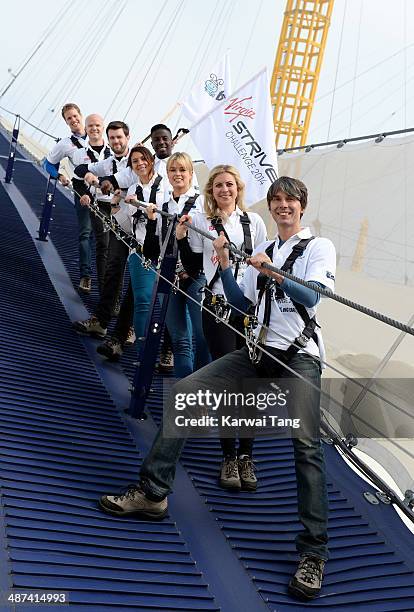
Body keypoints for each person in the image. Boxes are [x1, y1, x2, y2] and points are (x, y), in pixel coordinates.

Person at [99, 176, 336, 602]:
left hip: (298, 356)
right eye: (277, 200)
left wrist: (273, 273)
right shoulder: (270, 250)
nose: (282, 206)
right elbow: (241, 302)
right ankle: (153, 493)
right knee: (188, 393)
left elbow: (314, 296)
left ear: (303, 205)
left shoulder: (318, 247)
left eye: (290, 200)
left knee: (306, 446)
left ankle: (314, 553)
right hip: (258, 348)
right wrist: (229, 266)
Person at [176, 165, 266, 490]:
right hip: (216, 309)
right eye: (218, 186)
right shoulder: (202, 221)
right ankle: (229, 456)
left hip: (247, 311)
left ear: (238, 188)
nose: (224, 190)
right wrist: (182, 240)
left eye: (229, 185)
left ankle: (246, 455)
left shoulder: (253, 223)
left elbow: (261, 267)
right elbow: (191, 267)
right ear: (210, 191)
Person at [95, 145, 169, 359]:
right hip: (141, 250)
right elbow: (129, 228)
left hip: (162, 251)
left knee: (149, 299)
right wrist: (116, 207)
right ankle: (124, 342)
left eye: (143, 159)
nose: (140, 164)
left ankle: (155, 349)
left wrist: (149, 210)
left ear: (151, 161)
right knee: (137, 295)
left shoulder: (166, 188)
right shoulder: (133, 191)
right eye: (135, 161)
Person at [143, 152, 209, 378]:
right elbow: (153, 248)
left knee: (201, 338)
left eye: (183, 170)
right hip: (170, 275)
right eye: (173, 170)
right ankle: (186, 394)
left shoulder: (202, 203)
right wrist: (151, 222)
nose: (178, 174)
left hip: (196, 276)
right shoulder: (164, 204)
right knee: (180, 340)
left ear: (191, 174)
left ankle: (202, 395)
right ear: (167, 174)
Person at [71, 121, 133, 339]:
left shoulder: (137, 159)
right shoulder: (107, 162)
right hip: (118, 218)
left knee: (136, 278)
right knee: (113, 267)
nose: (116, 141)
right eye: (113, 138)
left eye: (120, 137)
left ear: (128, 137)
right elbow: (79, 170)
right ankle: (102, 321)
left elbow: (132, 177)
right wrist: (89, 175)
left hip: (140, 224)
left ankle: (128, 329)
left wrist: (105, 180)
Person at [42, 103, 90, 292]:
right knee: (85, 233)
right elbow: (48, 163)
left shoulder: (98, 134)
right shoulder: (64, 144)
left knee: (107, 240)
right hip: (82, 188)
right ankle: (85, 276)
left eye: (75, 116)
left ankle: (111, 289)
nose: (73, 120)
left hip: (103, 189)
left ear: (81, 115)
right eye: (69, 118)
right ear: (66, 121)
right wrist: (59, 176)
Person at [71, 114, 112, 294]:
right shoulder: (79, 153)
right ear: (85, 129)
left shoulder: (113, 151)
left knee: (106, 246)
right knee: (85, 234)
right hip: (90, 202)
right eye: (90, 126)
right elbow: (77, 179)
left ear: (102, 127)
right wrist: (84, 195)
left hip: (109, 204)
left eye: (97, 125)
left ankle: (105, 288)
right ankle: (86, 275)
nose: (94, 129)